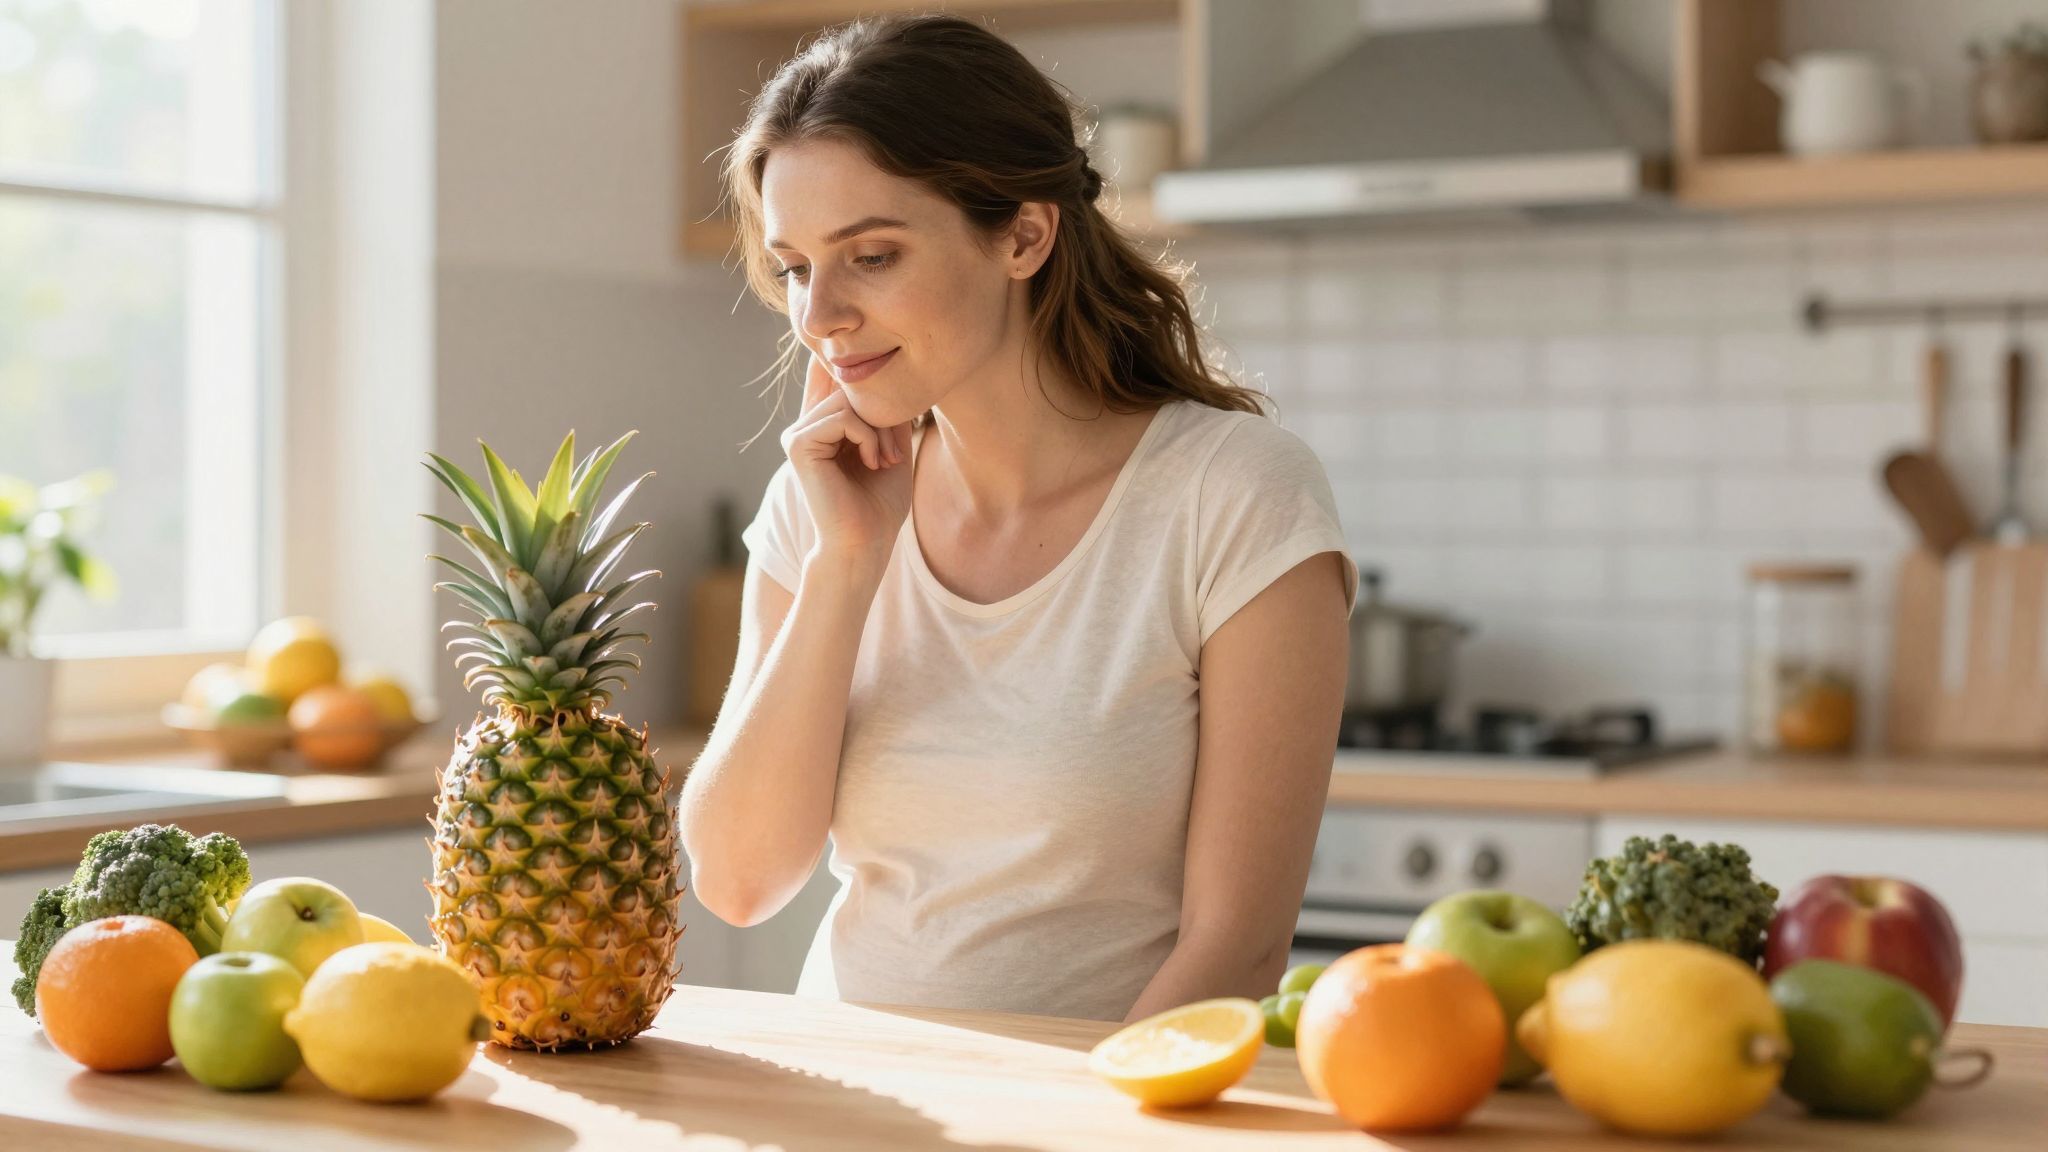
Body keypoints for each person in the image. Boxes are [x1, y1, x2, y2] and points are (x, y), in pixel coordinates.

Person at [678, 13, 1357, 1024]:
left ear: (1023, 235)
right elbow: (737, 882)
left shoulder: (1232, 495)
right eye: (793, 267)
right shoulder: (822, 502)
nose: (818, 317)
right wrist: (846, 564)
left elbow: (1238, 946)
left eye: (869, 256)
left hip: (1100, 1115)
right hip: (850, 1101)